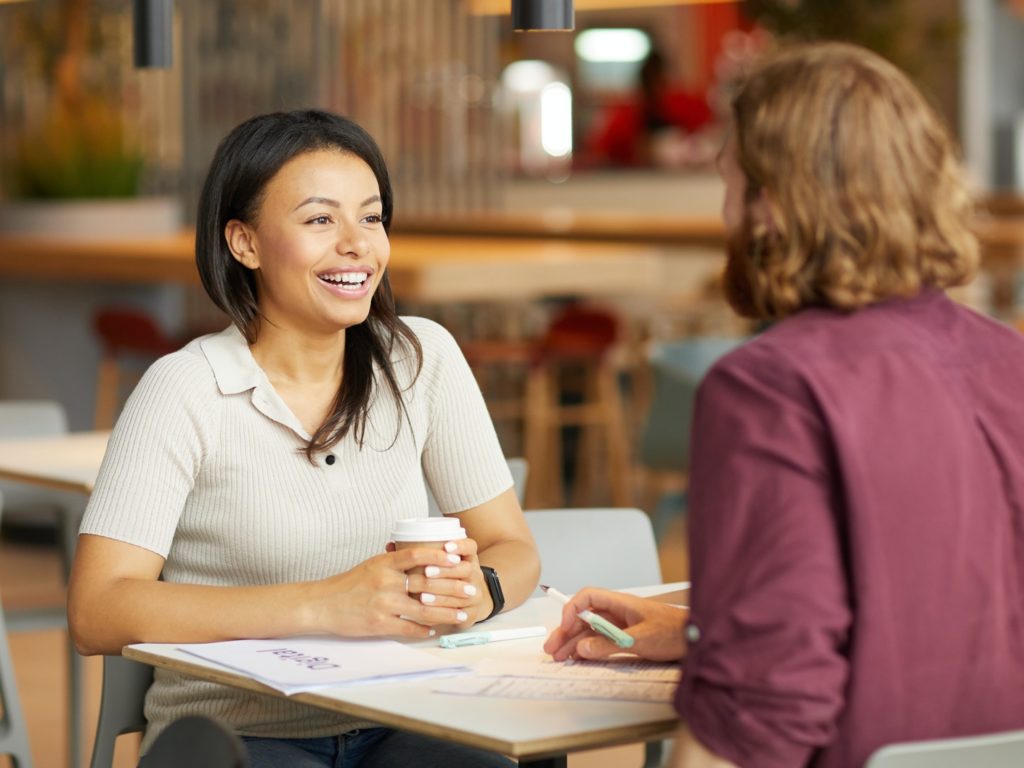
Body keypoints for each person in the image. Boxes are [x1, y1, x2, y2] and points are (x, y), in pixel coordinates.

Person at [545, 41, 1024, 768]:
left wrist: (730, 653)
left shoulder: (770, 386)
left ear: (772, 205)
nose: (726, 210)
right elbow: (948, 603)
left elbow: (761, 714)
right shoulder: (1008, 358)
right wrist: (703, 626)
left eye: (730, 183)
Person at [67, 109, 540, 767]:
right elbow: (98, 610)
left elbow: (513, 546)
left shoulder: (422, 359)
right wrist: (325, 604)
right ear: (245, 243)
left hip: (406, 710)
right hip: (238, 736)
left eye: (371, 218)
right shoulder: (182, 389)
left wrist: (479, 589)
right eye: (321, 220)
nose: (356, 244)